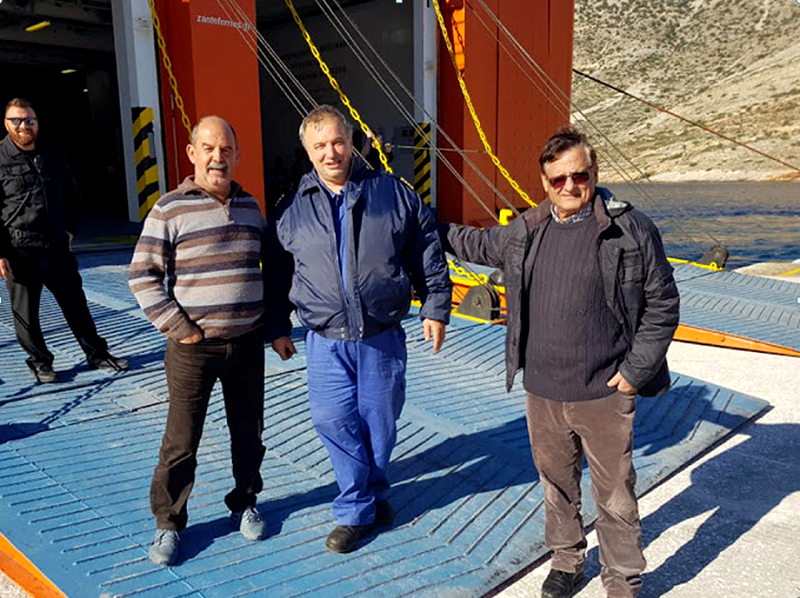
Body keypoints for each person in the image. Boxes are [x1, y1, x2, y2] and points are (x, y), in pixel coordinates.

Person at [442, 127, 679, 598]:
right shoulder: (527, 229)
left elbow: (663, 304)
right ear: (544, 182)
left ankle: (622, 580)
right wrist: (418, 218)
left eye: (580, 176)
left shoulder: (630, 230)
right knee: (556, 486)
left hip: (604, 391)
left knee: (615, 495)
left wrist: (634, 373)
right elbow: (475, 244)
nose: (570, 186)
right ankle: (567, 562)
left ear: (594, 172)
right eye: (558, 179)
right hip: (543, 391)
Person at [270, 105, 451, 554]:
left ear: (352, 142)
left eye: (337, 142)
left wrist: (435, 307)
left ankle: (375, 490)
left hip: (381, 336)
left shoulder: (393, 193)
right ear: (307, 151)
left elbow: (426, 249)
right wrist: (276, 325)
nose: (330, 153)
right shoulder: (291, 207)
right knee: (332, 420)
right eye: (319, 146)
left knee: (380, 421)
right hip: (325, 340)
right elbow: (277, 272)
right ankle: (355, 508)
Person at [129, 115, 295, 566]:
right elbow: (142, 276)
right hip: (192, 349)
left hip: (247, 345)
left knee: (249, 432)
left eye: (226, 150)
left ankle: (245, 501)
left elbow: (273, 272)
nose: (217, 158)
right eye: (208, 149)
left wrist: (276, 328)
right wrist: (180, 328)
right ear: (192, 154)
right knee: (181, 440)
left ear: (238, 156)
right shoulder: (169, 209)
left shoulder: (251, 207)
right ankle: (169, 522)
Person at [0, 98, 128, 383]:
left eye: (30, 120)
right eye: (17, 120)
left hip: (56, 246)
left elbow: (73, 196)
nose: (24, 125)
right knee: (26, 315)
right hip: (20, 250)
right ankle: (40, 362)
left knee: (76, 306)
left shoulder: (53, 155)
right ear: (6, 124)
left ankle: (97, 354)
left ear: (37, 123)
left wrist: (70, 230)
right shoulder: (0, 159)